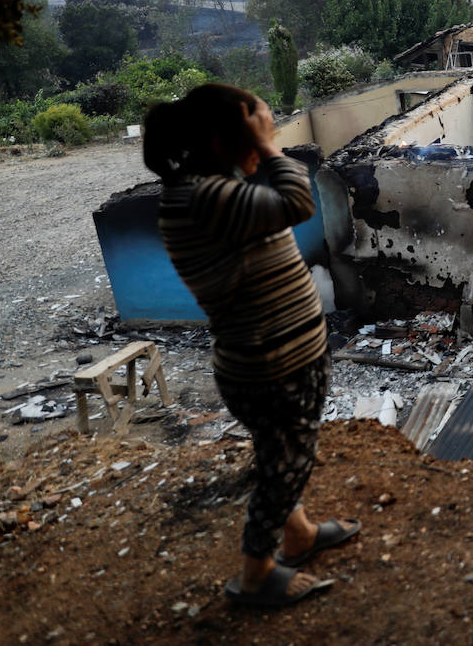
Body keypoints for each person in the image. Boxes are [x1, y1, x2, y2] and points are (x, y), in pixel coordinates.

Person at [143, 84, 360, 607]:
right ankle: (258, 571)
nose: (270, 136)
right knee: (286, 465)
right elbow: (297, 201)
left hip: (272, 358)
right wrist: (271, 151)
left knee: (279, 454)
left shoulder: (208, 190)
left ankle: (300, 534)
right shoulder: (206, 196)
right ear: (223, 140)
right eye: (260, 127)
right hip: (273, 364)